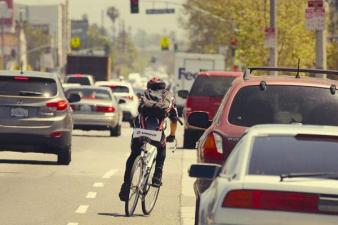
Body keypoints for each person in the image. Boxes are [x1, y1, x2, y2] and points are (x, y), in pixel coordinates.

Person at [119, 77, 178, 202]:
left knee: (133, 155)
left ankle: (125, 186)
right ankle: (157, 177)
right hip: (156, 134)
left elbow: (138, 111)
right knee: (161, 149)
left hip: (139, 132)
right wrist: (172, 135)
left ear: (149, 86)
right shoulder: (169, 97)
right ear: (163, 87)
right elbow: (174, 119)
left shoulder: (145, 95)